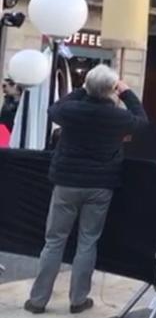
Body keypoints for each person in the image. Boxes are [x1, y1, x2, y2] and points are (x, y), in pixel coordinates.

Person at [24, 65, 148, 315]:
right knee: (87, 242)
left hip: (66, 182)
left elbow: (54, 109)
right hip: (101, 185)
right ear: (112, 89)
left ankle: (38, 300)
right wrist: (125, 93)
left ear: (87, 87)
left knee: (54, 241)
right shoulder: (118, 118)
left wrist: (83, 90)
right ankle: (78, 299)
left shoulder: (71, 111)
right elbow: (142, 121)